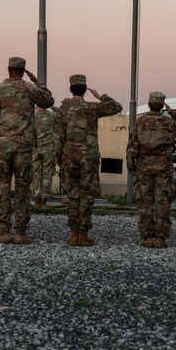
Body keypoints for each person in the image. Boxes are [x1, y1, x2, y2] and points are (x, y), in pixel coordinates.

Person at [0, 56, 54, 244]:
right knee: (23, 189)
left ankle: (4, 231)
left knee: (2, 187)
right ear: (23, 71)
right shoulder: (29, 88)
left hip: (2, 146)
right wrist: (37, 81)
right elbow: (48, 100)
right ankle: (21, 232)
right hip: (23, 146)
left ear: (8, 69)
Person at [54, 74, 122, 246]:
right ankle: (83, 234)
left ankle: (73, 234)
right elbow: (116, 106)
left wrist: (57, 157)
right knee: (86, 194)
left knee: (72, 194)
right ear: (85, 90)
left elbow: (58, 135)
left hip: (69, 155)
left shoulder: (64, 109)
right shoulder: (92, 107)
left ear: (71, 89)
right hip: (89, 156)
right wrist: (100, 96)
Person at [126, 91, 176, 248]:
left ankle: (147, 237)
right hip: (164, 168)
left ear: (149, 104)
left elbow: (132, 146)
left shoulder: (140, 122)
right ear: (162, 106)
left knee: (145, 203)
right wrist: (173, 113)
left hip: (144, 167)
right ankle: (161, 237)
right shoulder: (169, 123)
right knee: (163, 202)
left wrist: (131, 167)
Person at [32, 104, 59, 208]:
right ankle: (44, 201)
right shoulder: (52, 116)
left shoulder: (32, 116)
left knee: (36, 174)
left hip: (35, 149)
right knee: (47, 175)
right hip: (48, 149)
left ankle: (36, 200)